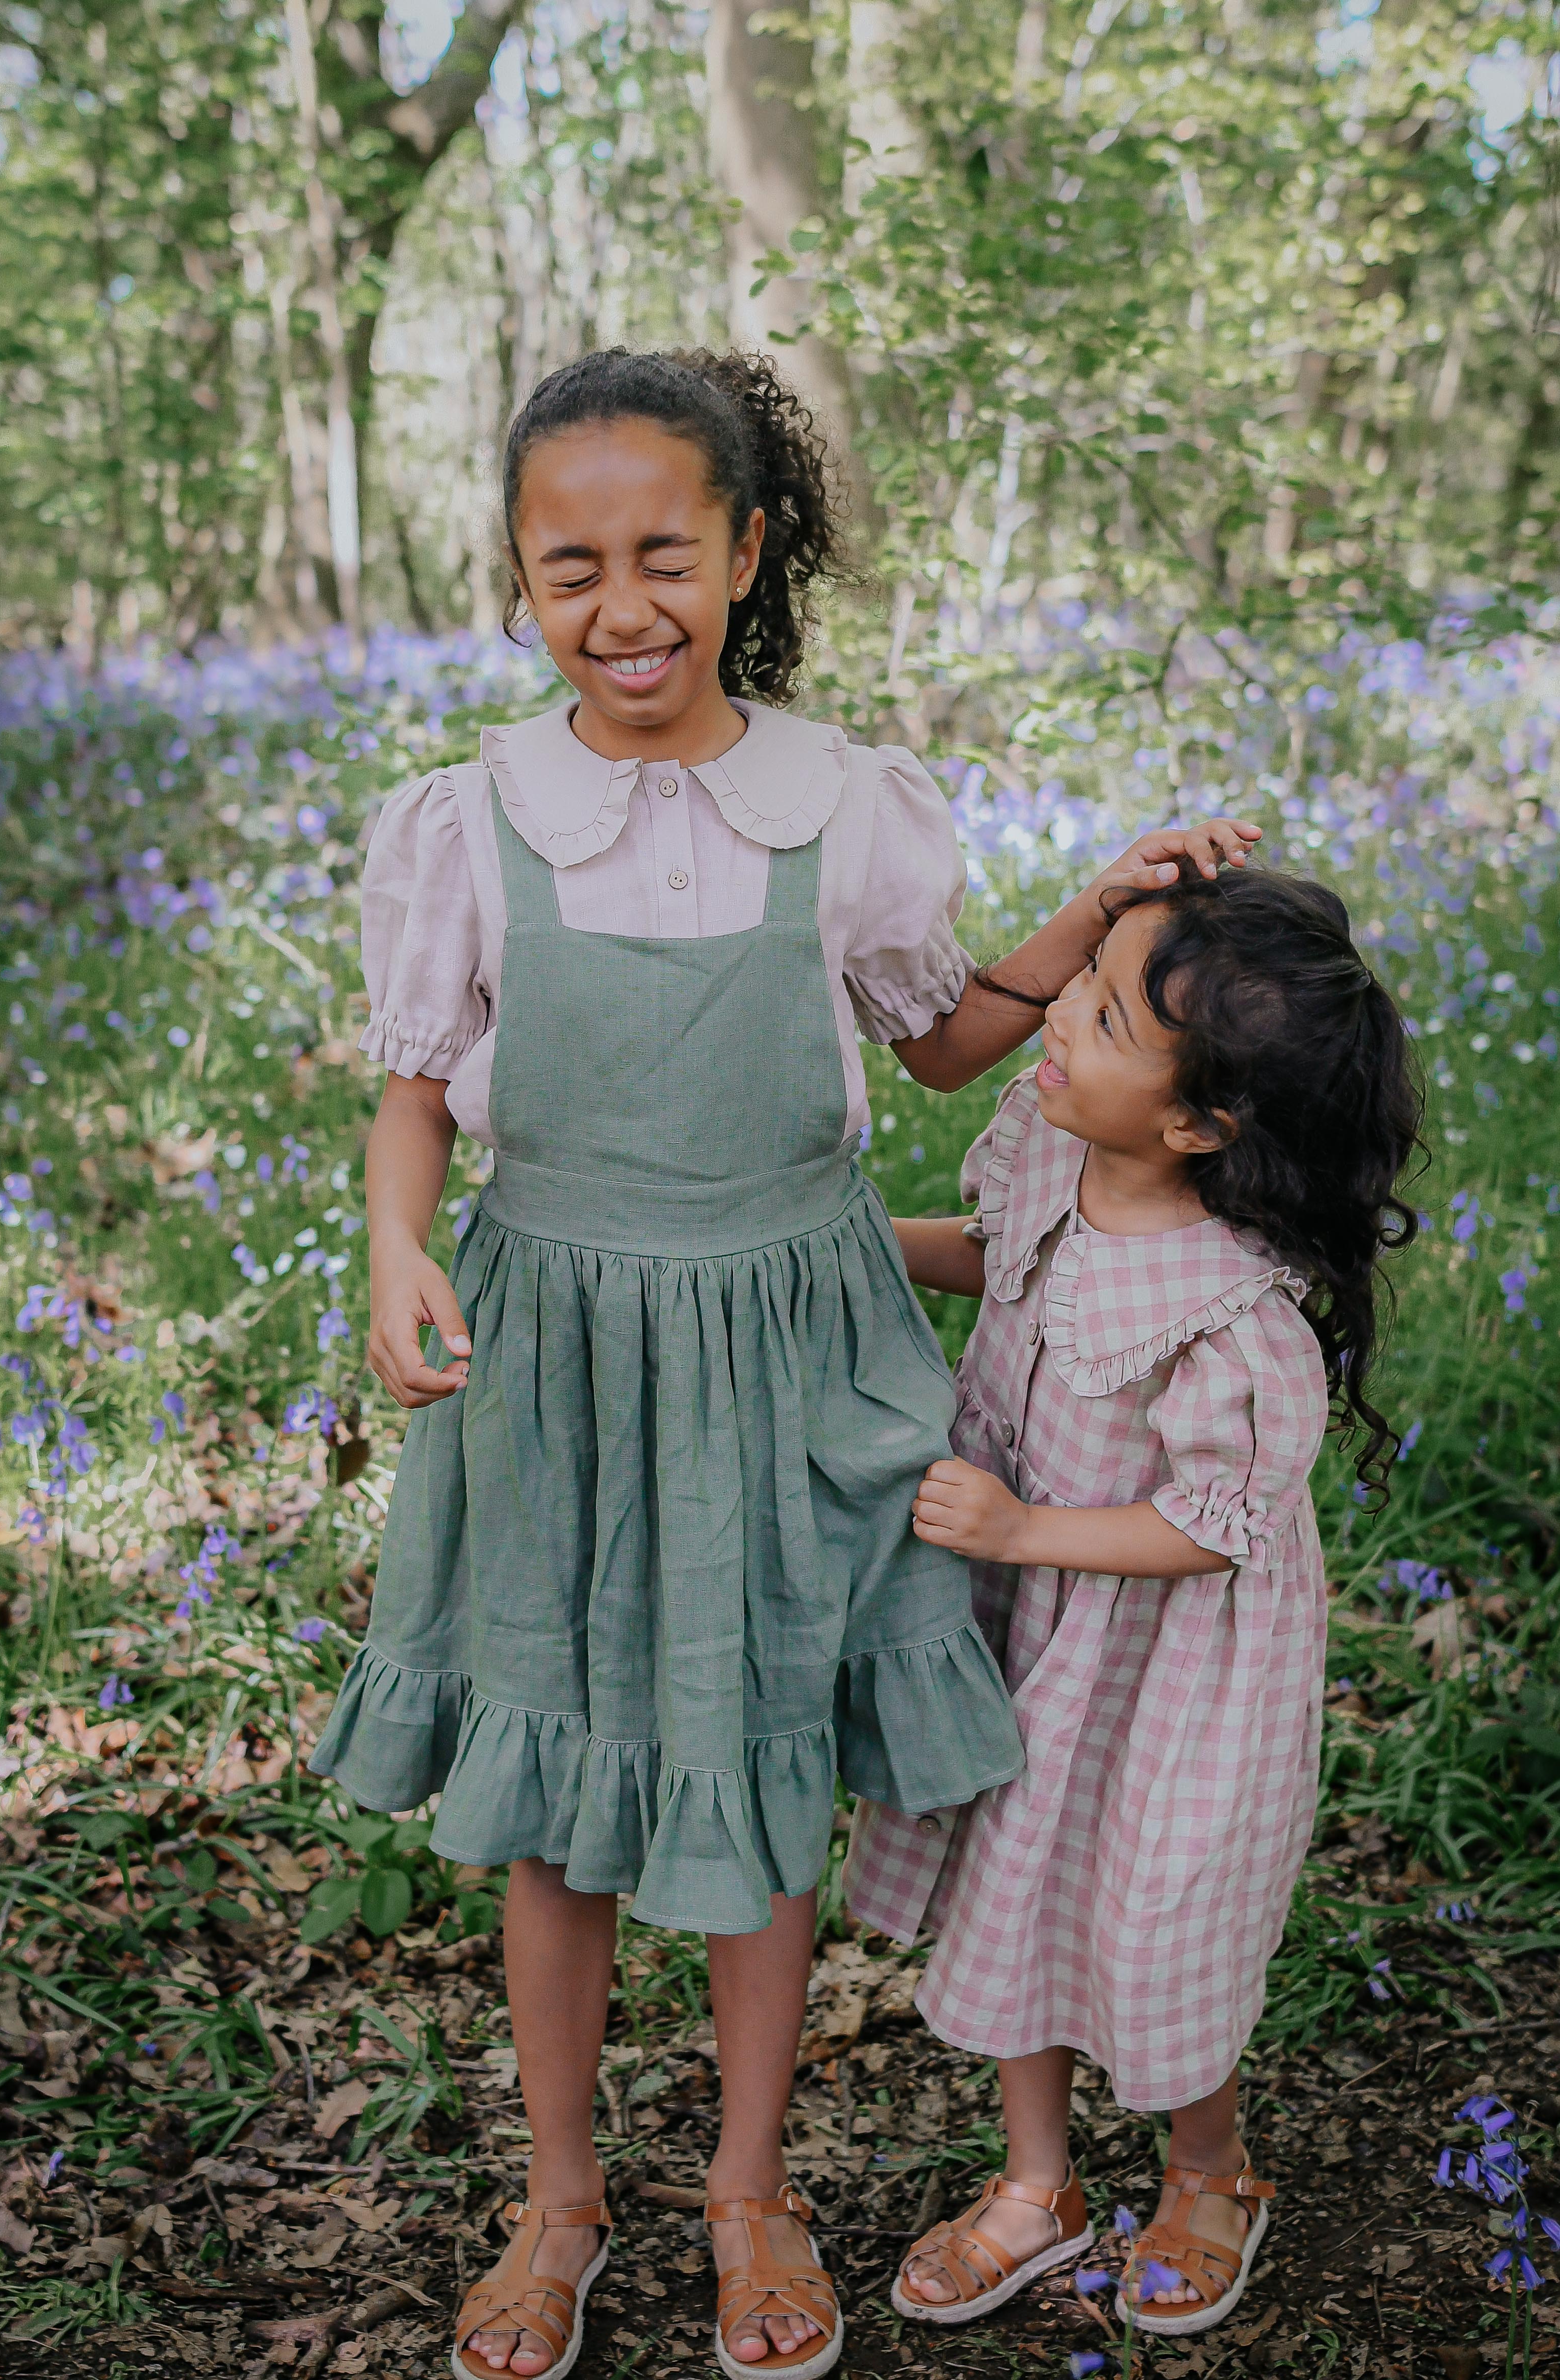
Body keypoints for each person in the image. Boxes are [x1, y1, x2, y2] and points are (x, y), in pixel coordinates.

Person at [309, 341, 1259, 2380]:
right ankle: (558, 2197)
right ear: (517, 574)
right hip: (556, 1343)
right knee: (555, 1798)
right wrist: (397, 1239)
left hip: (780, 1340)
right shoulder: (469, 822)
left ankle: (752, 2185)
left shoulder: (838, 805)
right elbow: (411, 1090)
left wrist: (1094, 900)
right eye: (571, 566)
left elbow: (935, 1039)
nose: (621, 604)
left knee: (758, 1764)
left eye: (665, 552)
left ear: (746, 549)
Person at [846, 866, 1423, 2341]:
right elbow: (1000, 1263)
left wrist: (1029, 1522)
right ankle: (1036, 2185)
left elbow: (1216, 1522)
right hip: (1029, 1630)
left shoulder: (1231, 1305)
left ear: (1199, 1124)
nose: (1057, 1025)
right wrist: (855, 1241)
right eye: (1085, 987)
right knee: (1011, 1886)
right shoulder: (1050, 1151)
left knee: (1159, 1912)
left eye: (1099, 1017)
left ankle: (1209, 2166)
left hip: (1167, 1667)